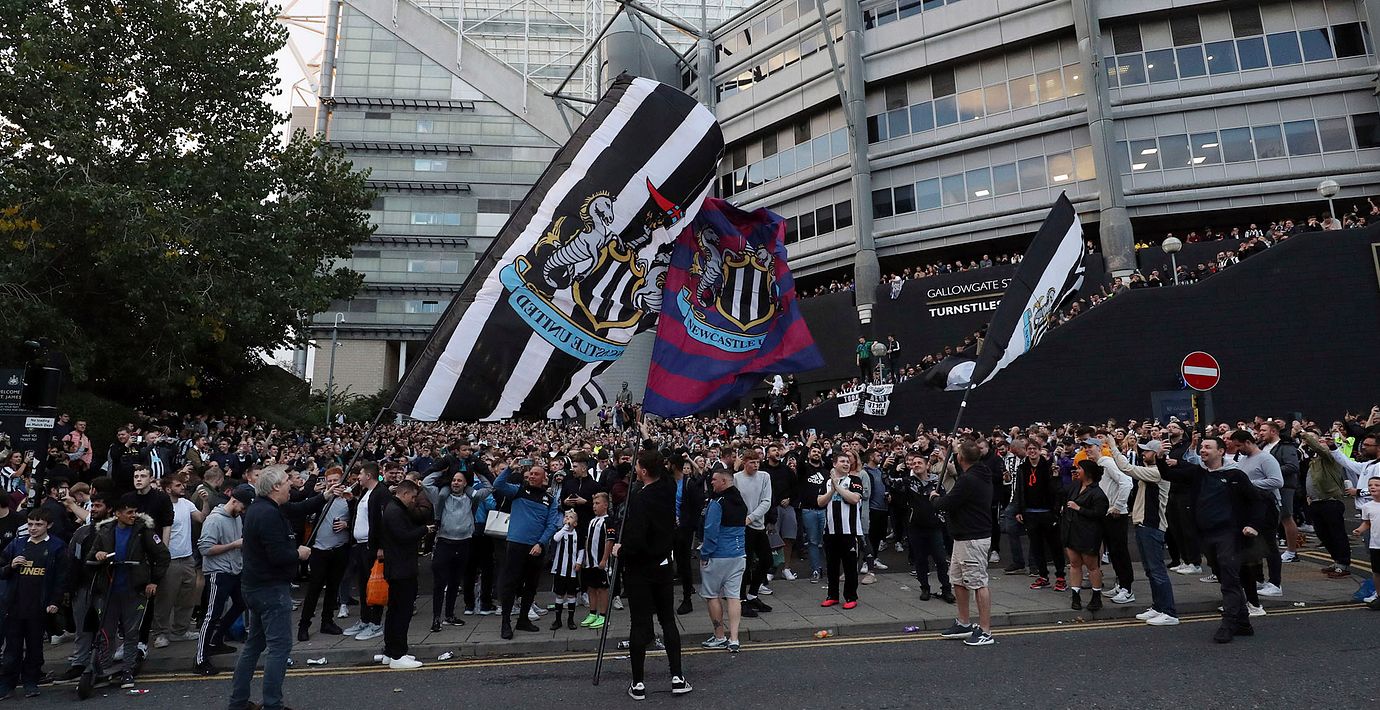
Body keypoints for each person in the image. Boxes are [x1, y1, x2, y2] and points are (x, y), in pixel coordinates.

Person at [1158, 436, 1271, 643]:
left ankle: (1228, 624)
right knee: (1225, 577)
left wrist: (1253, 525)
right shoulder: (1197, 473)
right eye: (1202, 447)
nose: (1203, 450)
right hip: (1206, 535)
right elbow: (1167, 474)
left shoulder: (1235, 475)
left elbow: (1258, 501)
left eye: (1208, 447)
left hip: (1229, 535)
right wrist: (1159, 457)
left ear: (1220, 451)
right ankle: (1243, 623)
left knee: (1229, 579)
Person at [229, 465, 313, 710]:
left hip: (255, 587)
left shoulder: (261, 508)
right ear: (276, 486)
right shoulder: (268, 514)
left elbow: (298, 508)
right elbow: (277, 555)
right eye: (287, 481)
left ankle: (238, 703)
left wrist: (326, 495)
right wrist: (298, 553)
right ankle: (273, 705)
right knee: (279, 648)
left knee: (254, 645)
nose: (291, 484)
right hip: (270, 590)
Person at [616, 448, 690, 701]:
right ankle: (677, 677)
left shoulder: (639, 498)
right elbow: (667, 470)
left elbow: (636, 540)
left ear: (644, 471)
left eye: (637, 466)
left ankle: (638, 683)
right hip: (663, 566)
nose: (635, 469)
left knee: (639, 623)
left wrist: (620, 550)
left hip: (640, 570)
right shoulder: (668, 489)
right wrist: (647, 437)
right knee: (668, 620)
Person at [87, 493, 170, 689]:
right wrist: (98, 555)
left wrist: (153, 581)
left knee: (132, 633)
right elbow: (90, 556)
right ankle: (105, 669)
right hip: (109, 590)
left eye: (135, 512)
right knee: (106, 632)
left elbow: (163, 556)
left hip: (135, 589)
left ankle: (127, 671)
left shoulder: (144, 531)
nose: (133, 516)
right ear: (117, 514)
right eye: (129, 512)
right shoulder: (105, 531)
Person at [1105, 440, 1180, 626]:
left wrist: (1112, 446)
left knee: (1157, 571)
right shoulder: (1152, 470)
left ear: (1156, 454)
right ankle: (1158, 607)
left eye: (1146, 451)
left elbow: (1127, 469)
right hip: (1144, 524)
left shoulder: (1158, 472)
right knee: (1150, 570)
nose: (1143, 454)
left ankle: (1169, 612)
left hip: (1152, 526)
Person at [0, 508, 68, 699]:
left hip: (39, 607)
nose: (33, 528)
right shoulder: (17, 544)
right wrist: (10, 566)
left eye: (38, 524)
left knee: (35, 648)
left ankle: (31, 681)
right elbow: (2, 569)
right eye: (30, 524)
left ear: (49, 525)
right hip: (15, 606)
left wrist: (55, 601)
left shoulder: (57, 547)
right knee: (11, 649)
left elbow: (61, 578)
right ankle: (7, 684)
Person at [933, 440, 995, 646]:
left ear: (960, 458)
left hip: (973, 538)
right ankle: (964, 622)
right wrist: (956, 449)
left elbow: (947, 503)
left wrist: (935, 499)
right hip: (963, 537)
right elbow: (964, 468)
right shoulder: (980, 472)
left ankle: (985, 630)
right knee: (958, 580)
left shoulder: (968, 480)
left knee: (978, 582)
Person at [491, 462, 561, 640]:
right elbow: (498, 485)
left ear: (544, 478)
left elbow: (552, 524)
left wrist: (541, 543)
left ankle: (523, 620)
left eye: (536, 474)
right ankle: (505, 622)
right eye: (530, 473)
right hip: (516, 545)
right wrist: (509, 468)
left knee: (530, 586)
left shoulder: (550, 499)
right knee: (510, 585)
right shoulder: (518, 491)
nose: (531, 476)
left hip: (536, 547)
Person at [420, 467, 487, 632]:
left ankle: (449, 615)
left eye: (459, 481)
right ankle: (436, 618)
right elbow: (426, 482)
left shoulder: (471, 498)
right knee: (439, 583)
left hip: (463, 543)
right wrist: (443, 471)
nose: (456, 483)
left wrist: (479, 470)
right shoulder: (440, 497)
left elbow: (489, 487)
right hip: (444, 543)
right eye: (454, 480)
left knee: (455, 582)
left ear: (465, 484)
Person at [194, 484, 251, 675]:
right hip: (217, 572)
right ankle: (200, 659)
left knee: (242, 603)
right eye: (242, 507)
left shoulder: (236, 518)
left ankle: (217, 640)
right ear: (234, 501)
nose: (243, 511)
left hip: (234, 570)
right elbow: (205, 549)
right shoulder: (214, 520)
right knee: (212, 614)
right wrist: (233, 545)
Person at [55, 493, 110, 682]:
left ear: (109, 509)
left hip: (106, 588)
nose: (93, 509)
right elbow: (73, 561)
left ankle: (104, 665)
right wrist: (70, 589)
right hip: (83, 587)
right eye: (92, 506)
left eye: (98, 506)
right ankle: (79, 664)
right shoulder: (82, 532)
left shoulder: (114, 531)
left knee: (106, 629)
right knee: (82, 628)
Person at [151, 473, 209, 649]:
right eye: (178, 485)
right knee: (165, 598)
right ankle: (160, 633)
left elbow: (201, 518)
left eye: (182, 484)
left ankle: (180, 630)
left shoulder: (186, 503)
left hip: (187, 557)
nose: (182, 487)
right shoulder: (161, 506)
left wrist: (205, 502)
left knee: (187, 597)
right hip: (170, 559)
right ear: (168, 489)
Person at [378, 478, 430, 669]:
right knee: (402, 612)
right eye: (413, 497)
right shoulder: (395, 511)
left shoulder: (394, 508)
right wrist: (424, 530)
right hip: (401, 569)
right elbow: (403, 537)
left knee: (394, 611)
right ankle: (398, 654)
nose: (414, 501)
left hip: (398, 568)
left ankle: (391, 651)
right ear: (405, 494)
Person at [698, 468, 746, 653]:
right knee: (734, 596)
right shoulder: (740, 501)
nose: (711, 482)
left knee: (712, 596)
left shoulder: (717, 503)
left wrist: (704, 554)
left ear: (724, 482)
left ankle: (719, 637)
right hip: (738, 555)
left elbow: (711, 531)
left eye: (714, 480)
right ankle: (734, 639)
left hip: (717, 556)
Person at [298, 467, 349, 641]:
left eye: (336, 480)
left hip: (339, 548)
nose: (333, 484)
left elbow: (357, 519)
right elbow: (306, 511)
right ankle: (304, 624)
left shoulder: (348, 500)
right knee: (314, 588)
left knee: (333, 587)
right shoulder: (320, 499)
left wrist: (346, 525)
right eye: (330, 481)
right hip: (320, 550)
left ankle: (327, 621)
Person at [1014, 437, 1066, 592]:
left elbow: (1058, 490)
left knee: (1055, 546)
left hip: (1047, 512)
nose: (1032, 451)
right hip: (1030, 513)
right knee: (1036, 547)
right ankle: (1043, 575)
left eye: (1034, 449)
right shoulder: (1022, 469)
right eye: (1029, 449)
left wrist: (1056, 511)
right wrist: (1019, 510)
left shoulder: (1049, 467)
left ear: (1039, 450)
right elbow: (1019, 490)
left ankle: (1060, 576)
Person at [343, 462, 386, 641]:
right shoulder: (365, 493)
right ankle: (365, 619)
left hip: (371, 546)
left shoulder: (380, 493)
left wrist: (381, 546)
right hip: (360, 545)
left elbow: (382, 521)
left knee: (373, 584)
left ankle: (375, 622)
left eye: (360, 474)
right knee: (362, 584)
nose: (358, 477)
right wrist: (351, 500)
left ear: (368, 476)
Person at [903, 453, 952, 602]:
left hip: (934, 527)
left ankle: (946, 589)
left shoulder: (936, 482)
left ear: (927, 465)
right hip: (916, 528)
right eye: (913, 463)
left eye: (919, 463)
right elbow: (890, 483)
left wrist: (940, 519)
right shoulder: (908, 482)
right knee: (920, 560)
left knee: (941, 559)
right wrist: (890, 468)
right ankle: (925, 588)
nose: (916, 465)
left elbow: (943, 501)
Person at [817, 452, 863, 609]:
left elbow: (854, 499)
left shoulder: (854, 480)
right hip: (830, 531)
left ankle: (851, 597)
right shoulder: (826, 482)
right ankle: (832, 596)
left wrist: (838, 487)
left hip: (849, 531)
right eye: (842, 461)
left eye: (848, 461)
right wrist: (832, 489)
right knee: (832, 566)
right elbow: (820, 501)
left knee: (850, 566)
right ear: (834, 464)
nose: (846, 464)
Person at [1062, 460, 1109, 611]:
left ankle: (1096, 597)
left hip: (1088, 534)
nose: (1076, 471)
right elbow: (1060, 492)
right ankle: (1075, 596)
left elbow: (1099, 514)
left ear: (1088, 473)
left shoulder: (1097, 493)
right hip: (1072, 531)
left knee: (1092, 567)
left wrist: (1079, 508)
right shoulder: (1075, 486)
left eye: (1079, 469)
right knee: (1074, 564)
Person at [734, 450, 773, 616]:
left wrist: (751, 518)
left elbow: (766, 501)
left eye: (757, 462)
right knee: (745, 564)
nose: (756, 465)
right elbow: (735, 501)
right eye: (752, 462)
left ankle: (752, 594)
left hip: (756, 524)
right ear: (744, 463)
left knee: (767, 560)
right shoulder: (736, 478)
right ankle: (741, 600)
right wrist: (743, 520)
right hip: (743, 527)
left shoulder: (764, 477)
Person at [578, 492, 614, 630]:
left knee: (602, 588)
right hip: (590, 562)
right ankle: (592, 613)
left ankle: (603, 616)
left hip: (600, 562)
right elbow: (588, 540)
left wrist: (604, 559)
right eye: (593, 503)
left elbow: (609, 540)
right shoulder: (592, 521)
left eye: (597, 503)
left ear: (605, 505)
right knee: (591, 587)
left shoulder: (608, 521)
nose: (594, 506)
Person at [548, 510, 582, 630]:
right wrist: (565, 527)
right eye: (566, 516)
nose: (567, 518)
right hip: (560, 569)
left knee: (571, 595)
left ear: (575, 523)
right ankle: (557, 620)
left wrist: (579, 562)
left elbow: (581, 549)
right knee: (559, 594)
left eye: (571, 517)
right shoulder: (561, 532)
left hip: (572, 570)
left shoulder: (577, 534)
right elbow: (555, 538)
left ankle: (570, 620)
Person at [1353, 477, 1380, 609]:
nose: (1372, 487)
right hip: (1376, 544)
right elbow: (1367, 523)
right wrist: (1359, 530)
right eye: (1370, 485)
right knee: (1377, 572)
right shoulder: (1367, 507)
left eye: (1377, 485)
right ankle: (1379, 595)